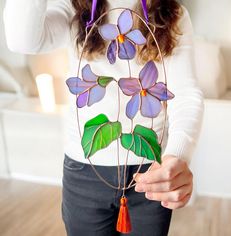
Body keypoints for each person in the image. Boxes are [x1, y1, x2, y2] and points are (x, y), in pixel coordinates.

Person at [3, 0, 204, 235]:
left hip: (151, 172)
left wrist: (176, 156)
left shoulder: (173, 13)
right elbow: (21, 39)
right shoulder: (73, 7)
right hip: (84, 174)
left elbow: (186, 95)